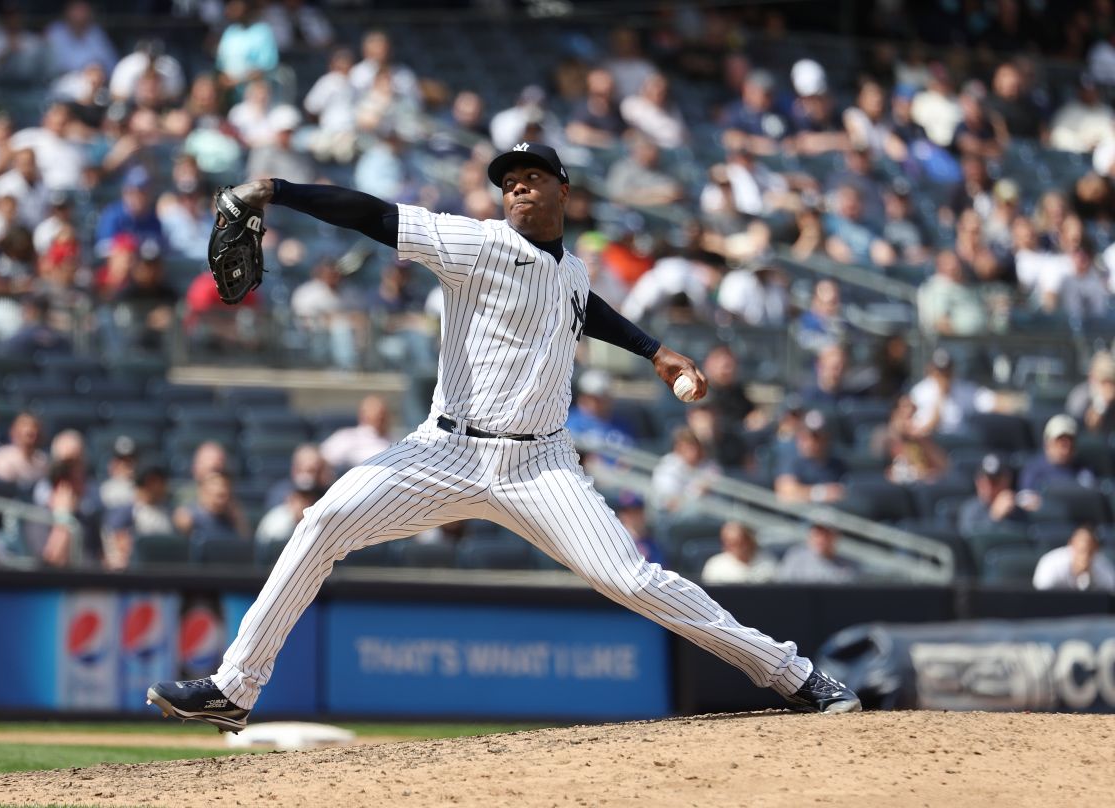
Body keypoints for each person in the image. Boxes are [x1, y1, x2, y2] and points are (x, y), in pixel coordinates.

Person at [148, 141, 860, 730]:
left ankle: (793, 675)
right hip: (447, 452)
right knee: (323, 520)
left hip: (541, 466)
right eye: (508, 182)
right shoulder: (476, 243)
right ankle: (235, 688)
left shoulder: (572, 269)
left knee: (634, 579)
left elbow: (583, 304)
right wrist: (276, 189)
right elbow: (371, 214)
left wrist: (654, 351)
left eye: (532, 178)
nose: (517, 189)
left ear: (563, 189)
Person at [908, 348, 996, 436]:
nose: (944, 376)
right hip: (933, 442)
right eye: (940, 372)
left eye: (947, 371)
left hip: (961, 440)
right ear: (931, 370)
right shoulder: (920, 392)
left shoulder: (962, 387)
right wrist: (941, 396)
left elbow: (990, 401)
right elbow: (923, 429)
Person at [774, 410, 847, 505]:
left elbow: (844, 492)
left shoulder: (836, 463)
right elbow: (785, 493)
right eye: (803, 435)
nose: (809, 441)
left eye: (815, 437)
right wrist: (821, 493)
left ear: (826, 438)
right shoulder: (793, 459)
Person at [958, 453, 1038, 538]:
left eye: (995, 482)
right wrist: (994, 517)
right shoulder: (970, 509)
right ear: (977, 482)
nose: (988, 487)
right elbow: (969, 539)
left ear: (1007, 480)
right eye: (983, 481)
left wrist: (1039, 512)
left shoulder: (1019, 506)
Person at [1018, 415, 1097, 492]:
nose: (1066, 448)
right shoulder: (1033, 470)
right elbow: (1026, 498)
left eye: (1070, 442)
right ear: (1048, 444)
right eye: (1061, 443)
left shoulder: (1083, 470)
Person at [319, 395, 395, 470]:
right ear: (363, 415)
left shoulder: (395, 440)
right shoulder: (347, 436)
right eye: (378, 414)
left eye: (384, 414)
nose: (382, 418)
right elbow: (322, 459)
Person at [1032, 525, 1115, 592]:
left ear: (1096, 549)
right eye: (1081, 549)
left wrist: (1091, 577)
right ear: (1071, 544)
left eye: (1090, 550)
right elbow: (1041, 594)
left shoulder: (1102, 566)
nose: (1085, 555)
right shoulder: (1052, 563)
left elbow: (1111, 592)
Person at [775, 518, 860, 584]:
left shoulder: (849, 566)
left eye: (826, 534)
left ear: (836, 537)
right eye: (817, 534)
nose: (821, 539)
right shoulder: (795, 557)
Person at [255, 474, 323, 547]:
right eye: (302, 498)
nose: (307, 503)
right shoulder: (280, 524)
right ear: (291, 499)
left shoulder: (311, 521)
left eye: (310, 498)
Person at [701, 521, 776, 584]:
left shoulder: (768, 561)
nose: (735, 546)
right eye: (729, 542)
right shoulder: (715, 565)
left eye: (739, 542)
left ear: (749, 541)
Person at [0, 411, 48, 488]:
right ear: (15, 433)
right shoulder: (2, 457)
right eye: (29, 435)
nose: (33, 439)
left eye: (35, 434)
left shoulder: (42, 461)